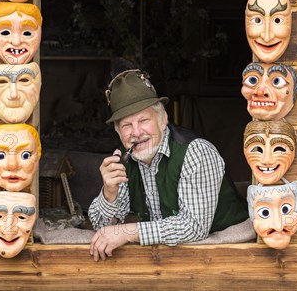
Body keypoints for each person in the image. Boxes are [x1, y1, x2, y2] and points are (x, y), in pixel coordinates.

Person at [88, 69, 249, 261]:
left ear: (162, 120)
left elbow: (193, 227)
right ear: (119, 133)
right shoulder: (124, 160)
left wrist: (128, 231)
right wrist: (109, 193)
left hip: (229, 256)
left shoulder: (196, 152)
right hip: (170, 261)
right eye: (126, 125)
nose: (136, 132)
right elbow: (102, 228)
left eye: (144, 120)